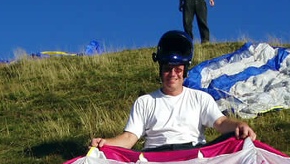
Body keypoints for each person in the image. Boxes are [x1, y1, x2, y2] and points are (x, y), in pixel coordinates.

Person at [90, 31, 256, 152]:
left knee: (238, 142)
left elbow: (220, 123)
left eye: (177, 70)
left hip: (194, 155)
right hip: (153, 158)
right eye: (167, 69)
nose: (172, 74)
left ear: (184, 71)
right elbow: (129, 138)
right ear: (161, 70)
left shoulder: (200, 98)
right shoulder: (145, 102)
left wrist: (239, 125)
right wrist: (105, 143)